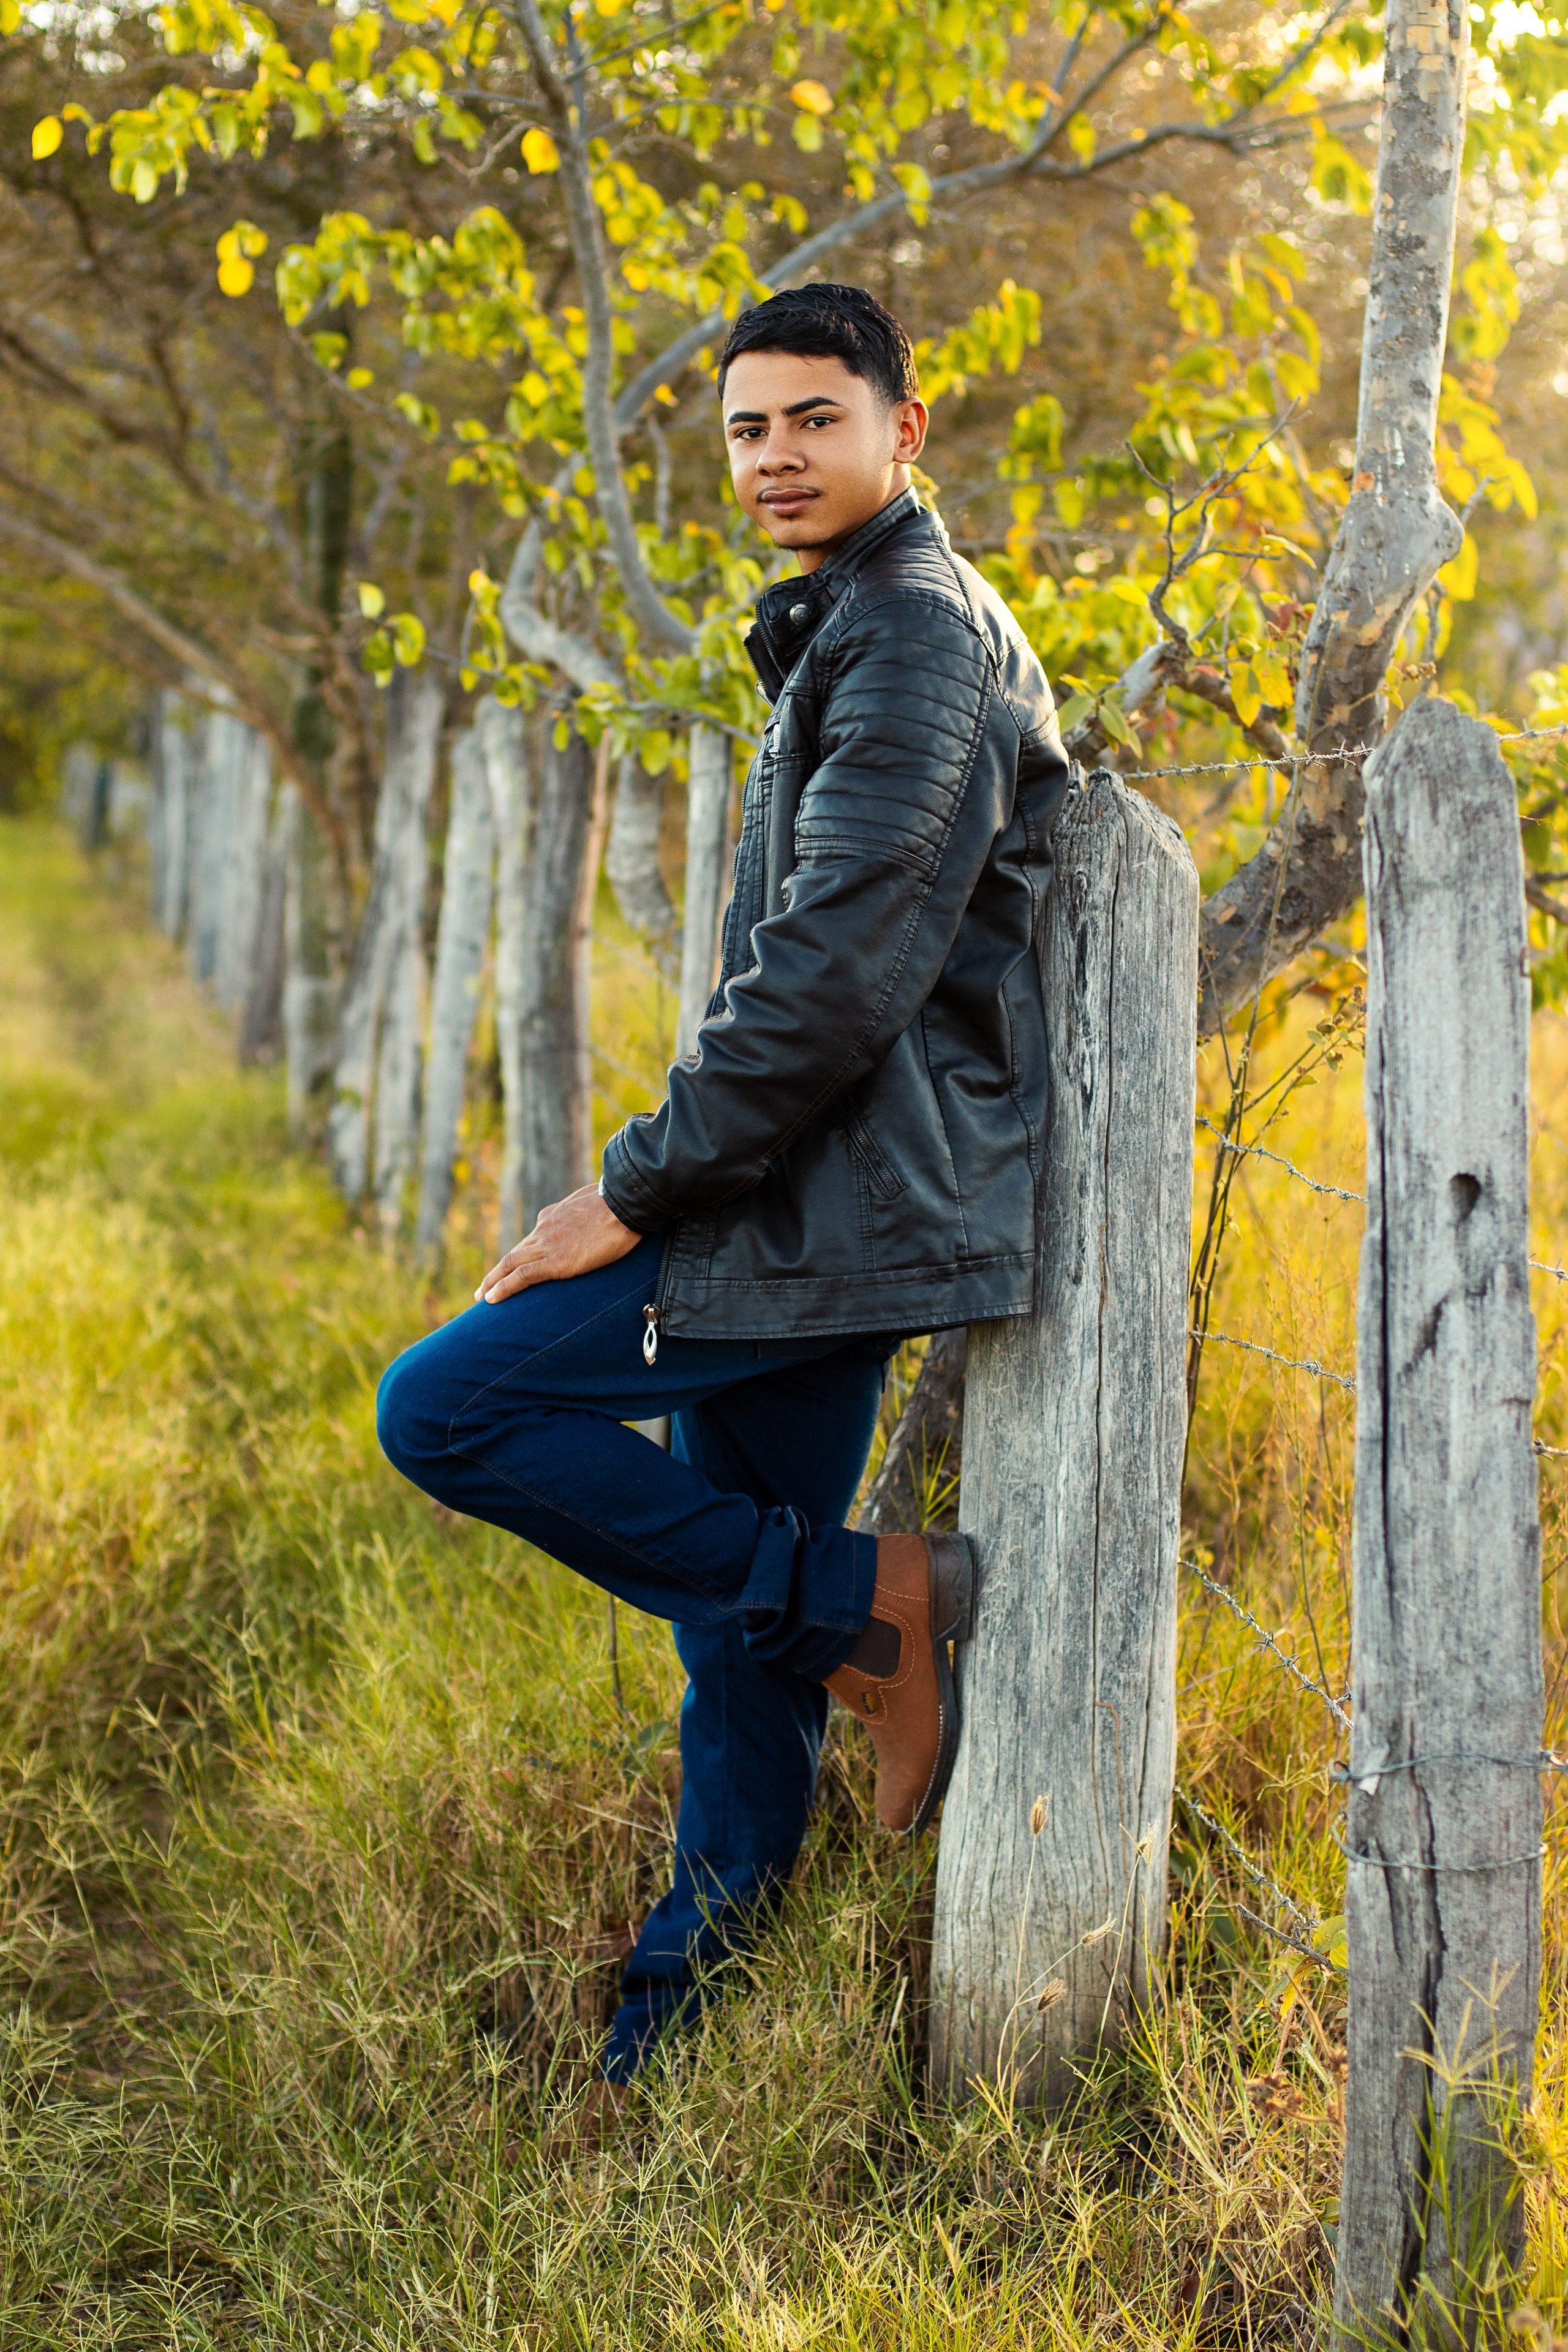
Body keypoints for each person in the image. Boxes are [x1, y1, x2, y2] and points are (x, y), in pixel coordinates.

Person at [377, 281, 1071, 2102]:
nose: (774, 457)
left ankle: (869, 1599)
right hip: (821, 1189)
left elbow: (833, 972)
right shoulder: (857, 620)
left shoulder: (918, 637)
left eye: (814, 419)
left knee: (449, 1403)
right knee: (735, 1639)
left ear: (903, 430)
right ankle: (674, 2036)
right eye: (749, 428)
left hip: (823, 1199)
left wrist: (632, 1188)